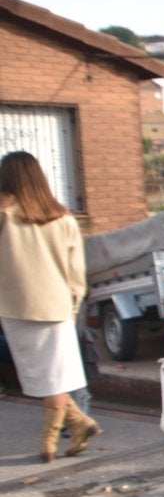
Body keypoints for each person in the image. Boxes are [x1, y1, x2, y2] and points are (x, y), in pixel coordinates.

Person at [0, 151, 101, 462]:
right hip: (58, 305)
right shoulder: (64, 219)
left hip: (14, 304)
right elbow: (76, 270)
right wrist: (73, 304)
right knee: (54, 373)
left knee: (40, 374)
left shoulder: (3, 214)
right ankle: (74, 423)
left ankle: (51, 439)